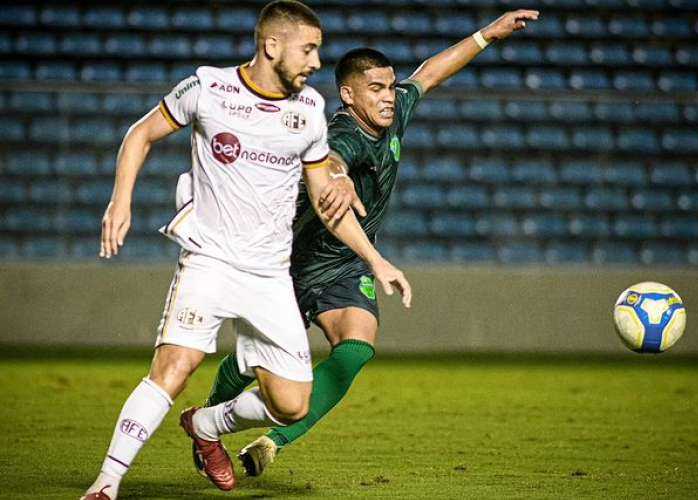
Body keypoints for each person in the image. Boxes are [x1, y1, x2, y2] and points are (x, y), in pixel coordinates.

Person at [192, 7, 540, 483]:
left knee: (355, 349)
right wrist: (336, 178)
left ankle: (273, 442)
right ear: (348, 94)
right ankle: (209, 417)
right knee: (254, 364)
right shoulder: (342, 132)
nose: (388, 98)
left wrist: (489, 34)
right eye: (375, 89)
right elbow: (332, 159)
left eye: (389, 86)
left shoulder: (394, 115)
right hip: (289, 266)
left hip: (344, 265)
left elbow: (431, 72)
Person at [80, 1, 411, 499]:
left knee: (292, 404)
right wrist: (119, 200)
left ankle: (207, 425)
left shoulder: (308, 114)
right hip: (209, 262)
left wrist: (375, 258)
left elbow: (327, 202)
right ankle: (106, 483)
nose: (316, 62)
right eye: (308, 50)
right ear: (271, 46)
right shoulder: (207, 88)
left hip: (270, 276)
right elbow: (140, 133)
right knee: (175, 367)